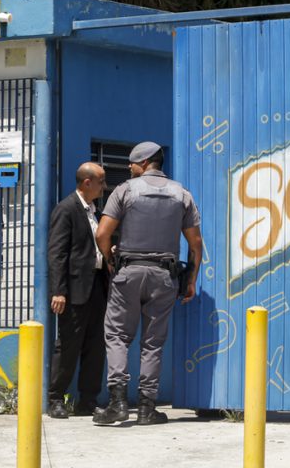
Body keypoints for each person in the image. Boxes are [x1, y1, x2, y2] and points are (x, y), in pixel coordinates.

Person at [93, 141, 202, 426]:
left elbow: (102, 233)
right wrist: (191, 279)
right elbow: (196, 244)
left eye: (131, 163)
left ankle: (117, 403)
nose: (129, 168)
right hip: (164, 276)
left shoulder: (125, 190)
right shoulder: (182, 194)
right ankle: (146, 408)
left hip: (128, 271)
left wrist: (109, 259)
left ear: (144, 163)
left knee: (117, 336)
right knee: (153, 344)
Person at [46, 162, 108, 419]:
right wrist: (59, 290)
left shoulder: (95, 211)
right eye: (101, 182)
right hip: (73, 289)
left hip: (96, 286)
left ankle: (88, 399)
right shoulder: (67, 209)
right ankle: (56, 399)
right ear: (87, 183)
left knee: (96, 345)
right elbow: (57, 253)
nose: (104, 186)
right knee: (69, 344)